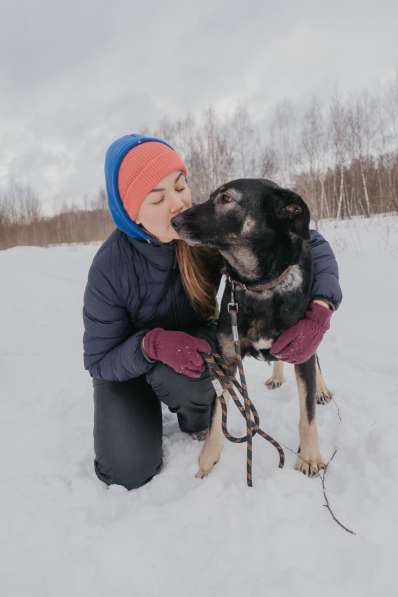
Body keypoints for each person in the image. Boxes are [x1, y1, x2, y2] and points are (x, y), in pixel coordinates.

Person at [82, 133, 342, 491]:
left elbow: (308, 243)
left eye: (180, 186)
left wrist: (321, 307)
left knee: (192, 388)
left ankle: (194, 416)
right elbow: (99, 360)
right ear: (132, 213)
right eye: (157, 198)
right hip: (125, 367)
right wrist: (150, 345)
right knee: (127, 470)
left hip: (187, 355)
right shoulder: (110, 268)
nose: (177, 204)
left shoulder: (203, 238)